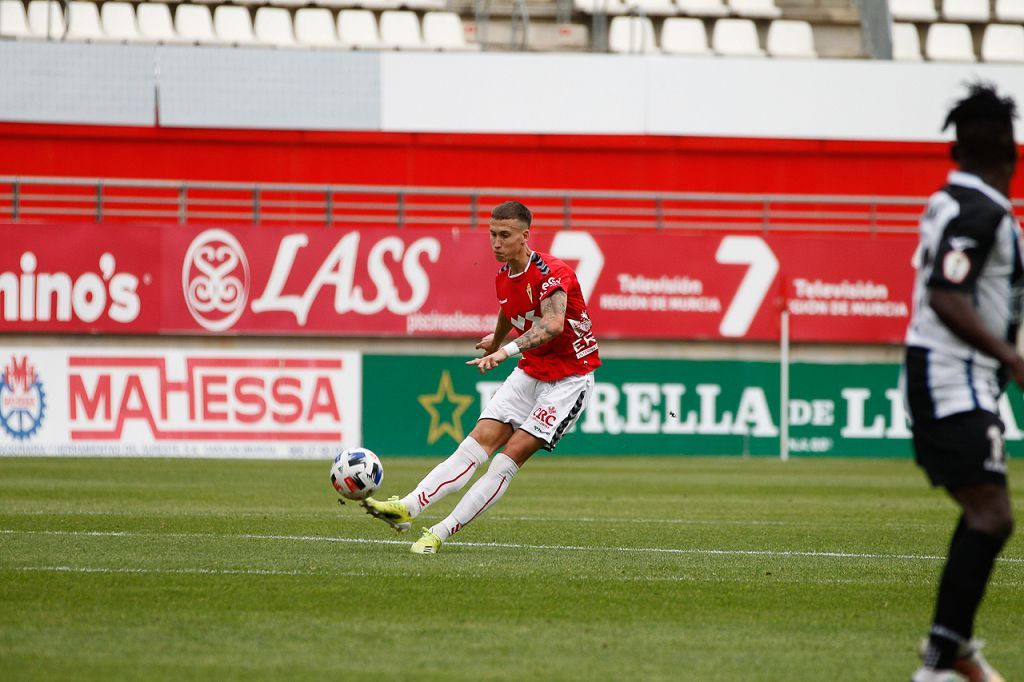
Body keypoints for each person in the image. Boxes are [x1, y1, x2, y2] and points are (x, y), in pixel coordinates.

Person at [362, 200, 601, 554]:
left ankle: (439, 533)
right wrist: (498, 338)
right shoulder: (504, 275)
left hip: (568, 379)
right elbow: (509, 309)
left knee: (508, 458)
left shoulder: (554, 272)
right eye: (492, 234)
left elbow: (552, 325)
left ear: (525, 236)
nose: (496, 243)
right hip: (532, 368)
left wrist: (505, 352)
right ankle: (408, 507)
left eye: (505, 235)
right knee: (475, 444)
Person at [904, 82, 1019, 682]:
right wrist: (1015, 359)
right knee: (991, 515)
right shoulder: (981, 211)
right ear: (1012, 151)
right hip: (953, 378)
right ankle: (940, 663)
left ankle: (955, 647)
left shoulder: (951, 199)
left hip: (952, 375)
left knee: (984, 508)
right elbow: (947, 295)